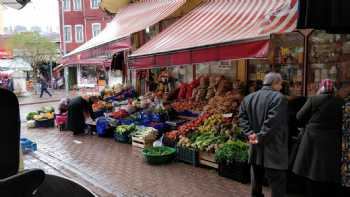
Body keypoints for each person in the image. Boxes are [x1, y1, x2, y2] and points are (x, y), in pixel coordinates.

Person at [239, 72, 288, 197]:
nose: (281, 87)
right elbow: (273, 123)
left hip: (255, 146)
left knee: (256, 178)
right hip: (273, 147)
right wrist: (259, 136)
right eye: (280, 84)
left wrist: (251, 135)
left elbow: (242, 119)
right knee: (277, 182)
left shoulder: (248, 98)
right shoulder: (279, 98)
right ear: (275, 83)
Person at [293, 79, 344, 197]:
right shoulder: (341, 102)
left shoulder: (314, 99)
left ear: (321, 88)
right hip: (334, 140)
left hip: (312, 140)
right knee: (329, 170)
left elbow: (299, 116)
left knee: (311, 168)